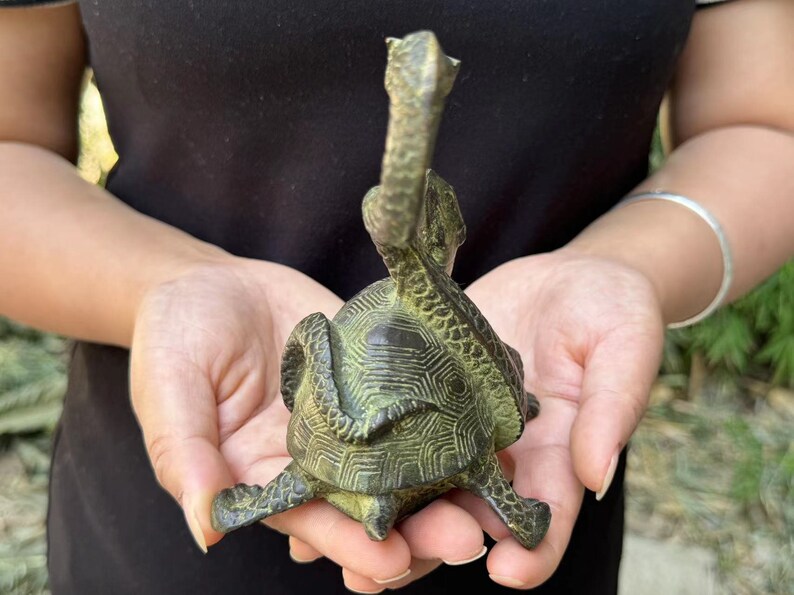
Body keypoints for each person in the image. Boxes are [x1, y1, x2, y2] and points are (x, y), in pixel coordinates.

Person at [1, 0, 792, 593]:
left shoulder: (448, 325)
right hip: (171, 491)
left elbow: (766, 125)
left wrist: (633, 269)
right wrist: (162, 285)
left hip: (542, 467)